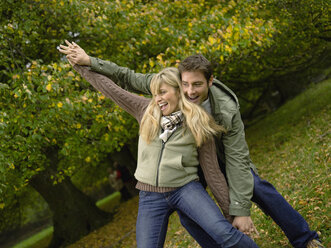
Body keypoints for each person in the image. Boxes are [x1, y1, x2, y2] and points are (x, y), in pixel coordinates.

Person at [59, 41, 323, 248]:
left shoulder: (222, 110)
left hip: (217, 153)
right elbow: (123, 79)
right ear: (177, 80)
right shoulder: (163, 93)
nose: (190, 91)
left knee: (255, 186)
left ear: (210, 81)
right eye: (184, 84)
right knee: (190, 217)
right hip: (181, 166)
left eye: (197, 85)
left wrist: (238, 213)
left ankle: (305, 238)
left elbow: (235, 160)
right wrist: (88, 62)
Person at [64, 58, 259, 247]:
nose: (157, 99)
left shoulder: (199, 122)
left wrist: (231, 214)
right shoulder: (144, 109)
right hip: (150, 196)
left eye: (163, 92)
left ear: (178, 91)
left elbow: (212, 172)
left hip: (186, 189)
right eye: (155, 94)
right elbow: (111, 89)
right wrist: (82, 65)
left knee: (225, 234)